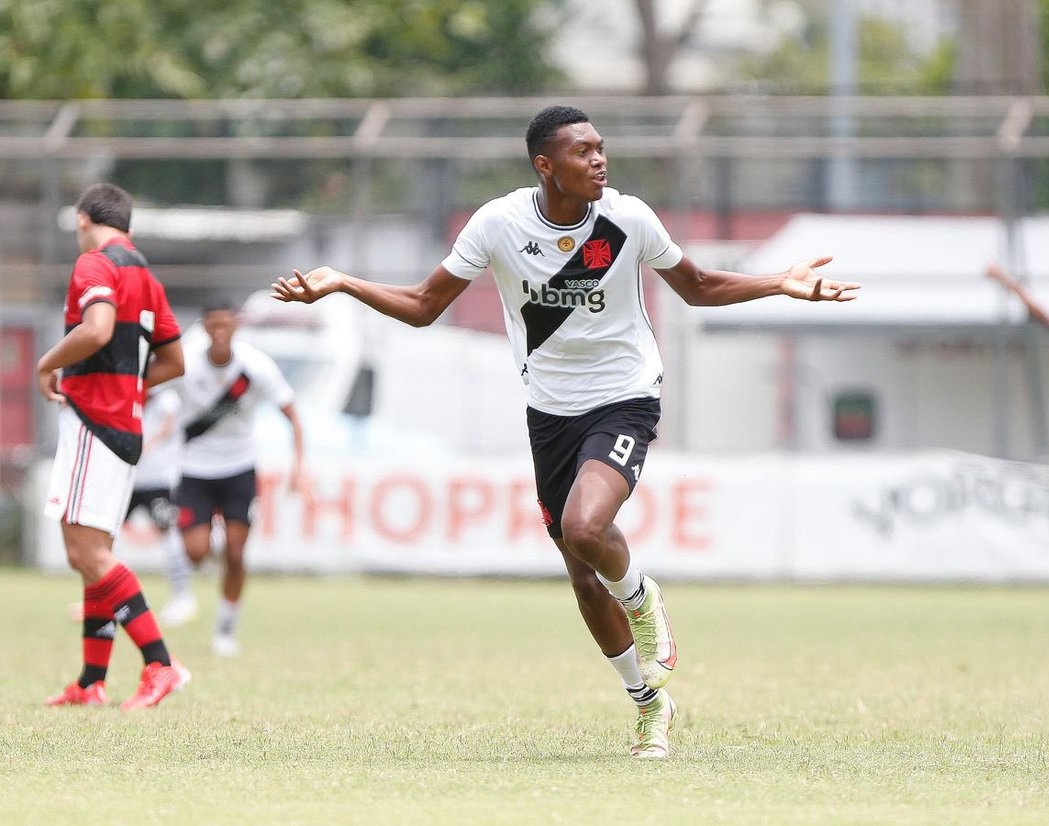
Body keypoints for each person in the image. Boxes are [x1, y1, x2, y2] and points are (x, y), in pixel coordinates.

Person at [271, 105, 861, 758]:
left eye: (601, 147)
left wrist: (779, 282)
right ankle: (648, 704)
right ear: (544, 165)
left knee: (586, 527)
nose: (599, 160)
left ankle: (641, 599)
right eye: (582, 152)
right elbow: (422, 306)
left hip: (624, 397)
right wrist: (342, 283)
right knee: (581, 574)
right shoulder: (498, 224)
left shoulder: (626, 219)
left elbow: (697, 287)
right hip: (549, 411)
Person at [39, 182, 191, 710]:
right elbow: (175, 361)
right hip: (124, 427)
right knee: (92, 556)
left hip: (93, 421)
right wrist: (133, 389)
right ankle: (91, 681)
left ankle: (161, 665)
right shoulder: (144, 274)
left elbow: (98, 328)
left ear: (83, 219)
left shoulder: (95, 264)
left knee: (85, 553)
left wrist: (48, 362)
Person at [172, 300, 310, 656]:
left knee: (236, 552)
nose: (220, 332)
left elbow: (292, 415)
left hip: (239, 468)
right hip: (194, 468)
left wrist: (299, 466)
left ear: (236, 326)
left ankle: (225, 629)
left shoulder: (256, 366)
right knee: (196, 552)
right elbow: (148, 391)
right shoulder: (184, 361)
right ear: (204, 328)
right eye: (213, 325)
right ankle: (208, 553)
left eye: (226, 325)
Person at [127, 386, 199, 627]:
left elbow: (168, 427)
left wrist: (144, 445)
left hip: (158, 480)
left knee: (169, 533)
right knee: (106, 535)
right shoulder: (130, 393)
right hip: (128, 478)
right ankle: (103, 598)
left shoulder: (167, 398)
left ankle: (182, 596)